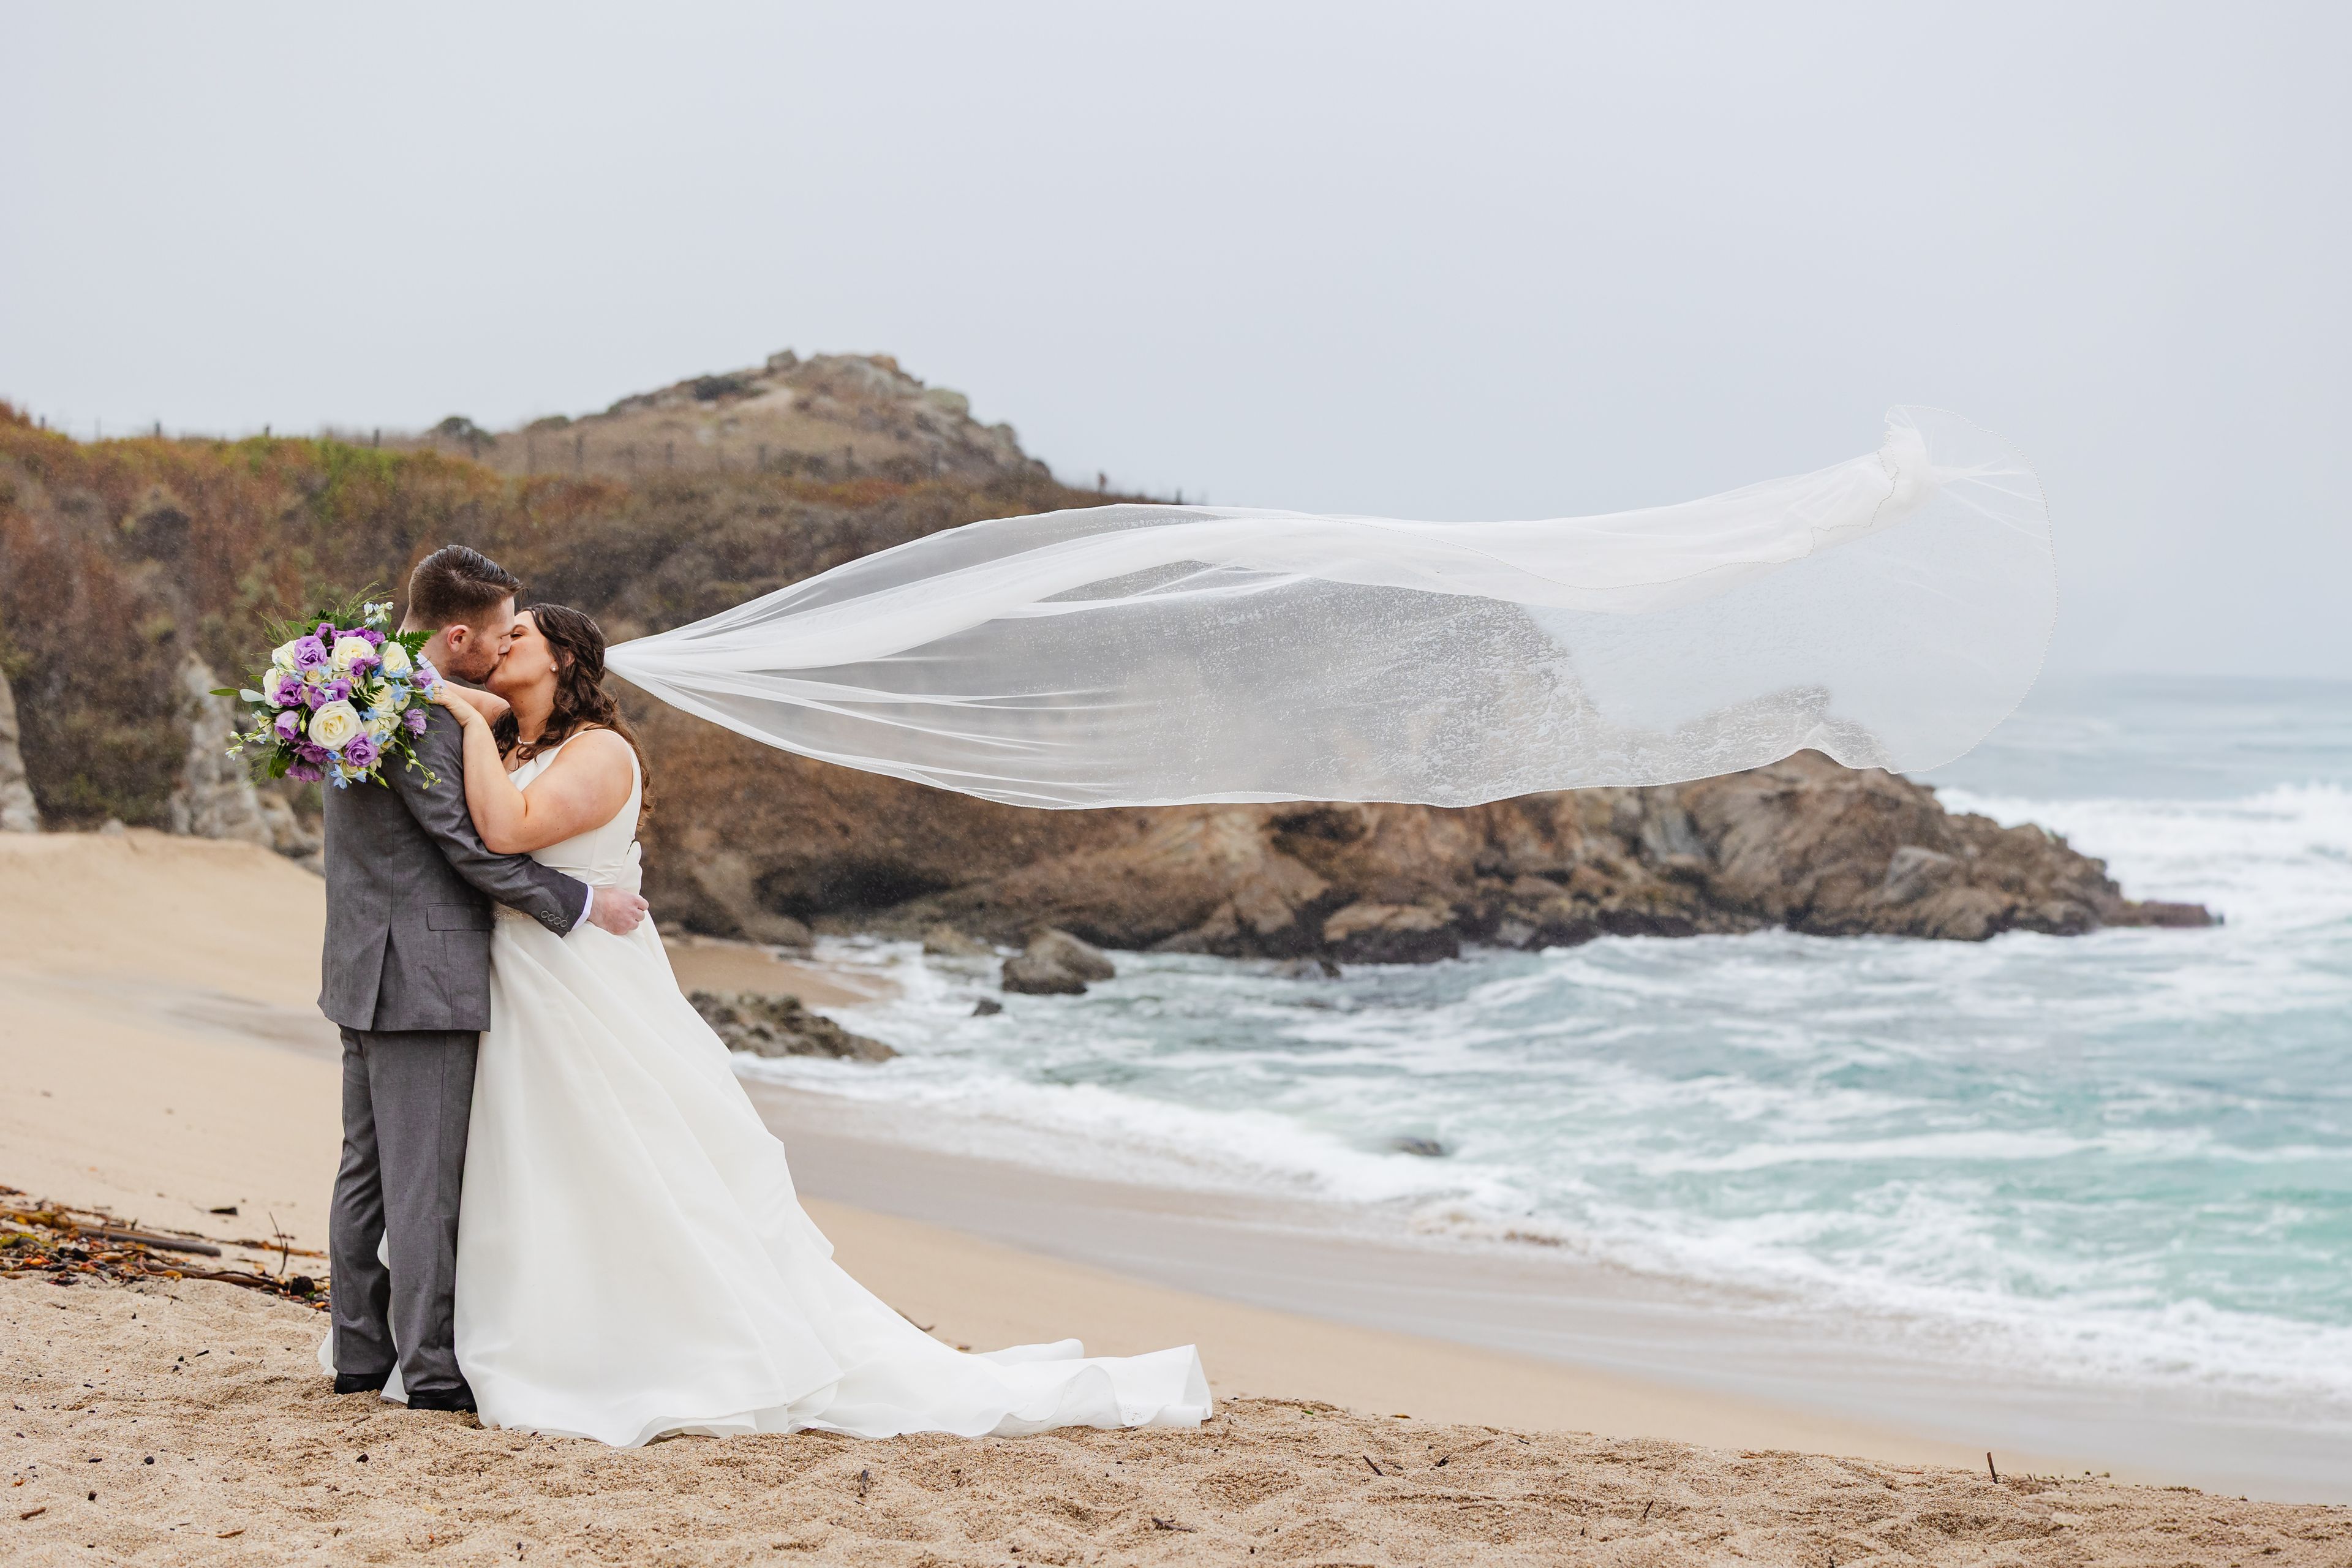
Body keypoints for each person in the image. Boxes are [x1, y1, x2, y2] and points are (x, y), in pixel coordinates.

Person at [389, 598, 1208, 1447]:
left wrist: (460, 715)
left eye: (518, 634)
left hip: (586, 983)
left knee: (620, 1155)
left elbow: (507, 827)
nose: (498, 646)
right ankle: (525, 1337)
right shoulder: (520, 738)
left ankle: (652, 1352)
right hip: (522, 977)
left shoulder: (601, 752)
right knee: (532, 1162)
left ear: (563, 659)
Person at [317, 546, 650, 1413]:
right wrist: (582, 902)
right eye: (501, 631)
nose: (505, 647)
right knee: (420, 1184)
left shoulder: (352, 697)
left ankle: (359, 1349)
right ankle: (427, 1372)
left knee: (368, 1171)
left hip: (360, 963)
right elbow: (472, 851)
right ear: (459, 634)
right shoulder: (424, 719)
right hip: (420, 974)